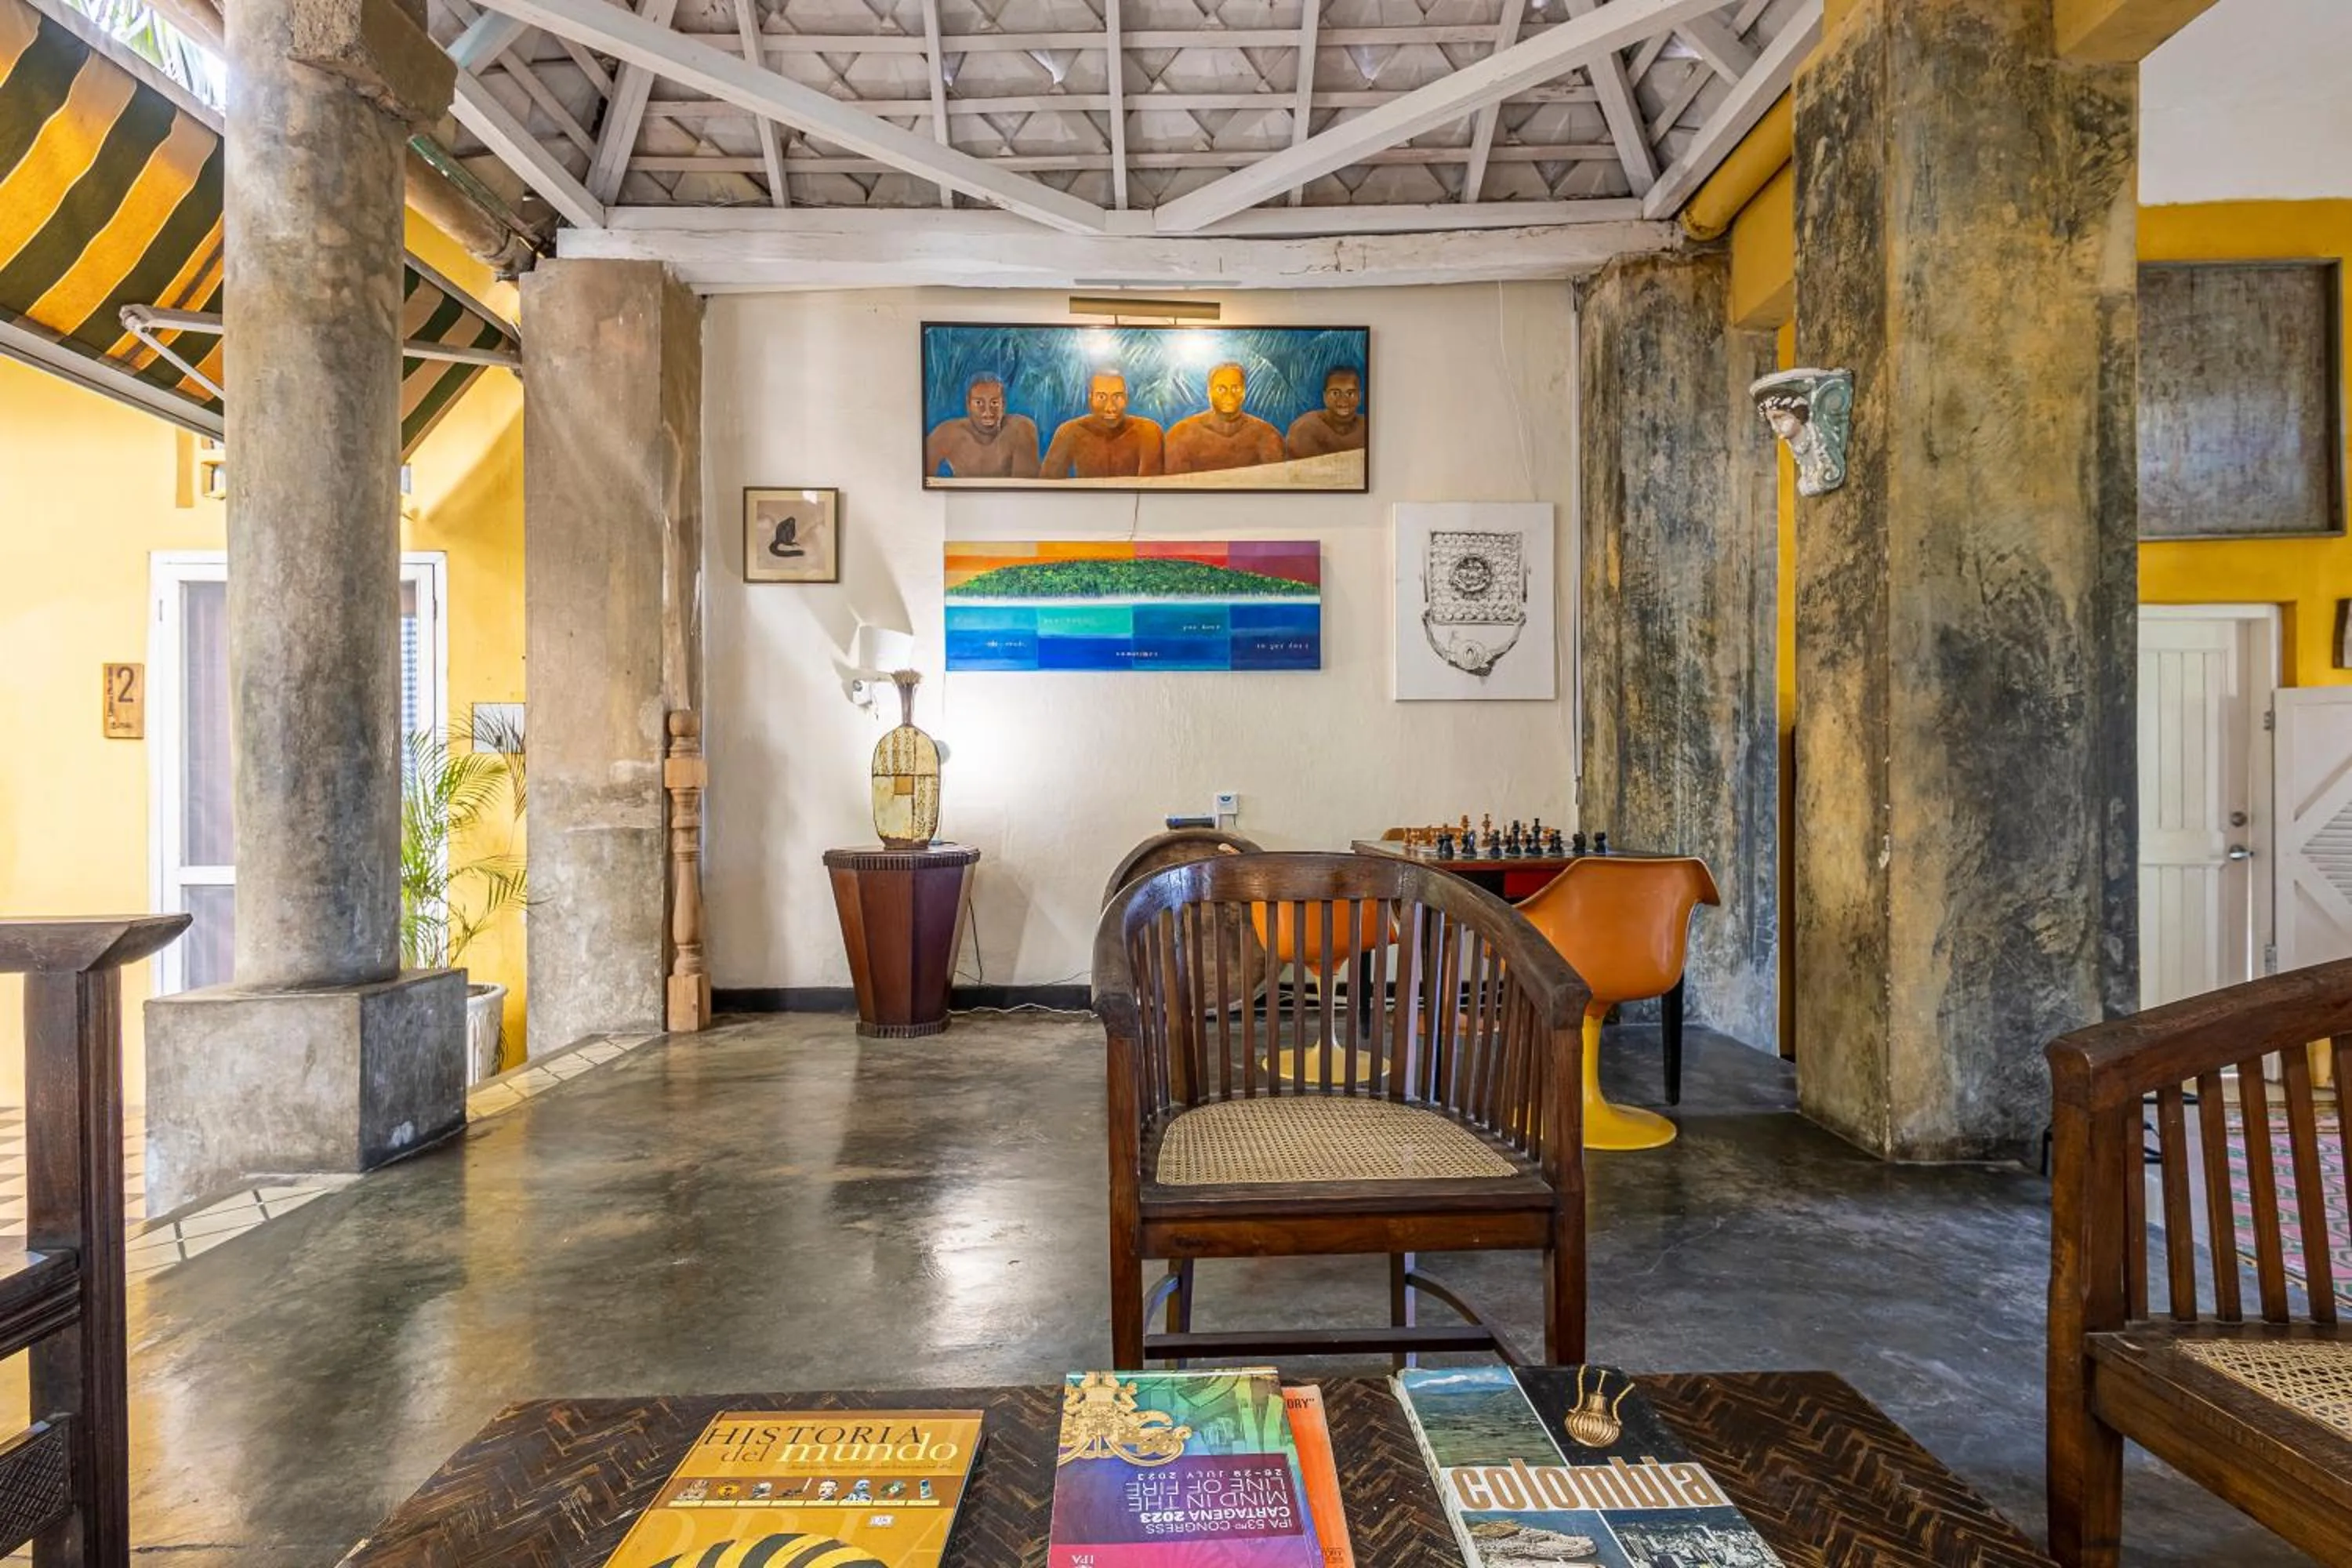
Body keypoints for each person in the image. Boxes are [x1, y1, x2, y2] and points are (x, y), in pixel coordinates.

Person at [1164, 361, 1285, 475]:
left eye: (1235, 388)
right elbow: (1177, 491)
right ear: (1209, 392)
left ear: (1244, 391)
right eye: (1221, 389)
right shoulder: (1181, 435)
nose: (1229, 395)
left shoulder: (1267, 436)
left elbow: (1276, 487)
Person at [1040, 369, 1164, 478]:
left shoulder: (1148, 432)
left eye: (1117, 397)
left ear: (1126, 399)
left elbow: (1152, 493)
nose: (1110, 407)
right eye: (1101, 397)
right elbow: (1046, 490)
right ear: (1090, 400)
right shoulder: (1070, 432)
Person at [924, 373, 1040, 478]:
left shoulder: (1020, 430)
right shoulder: (948, 434)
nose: (988, 412)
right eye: (979, 403)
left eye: (994, 403)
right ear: (968, 405)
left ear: (1003, 405)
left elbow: (1026, 489)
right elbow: (918, 477)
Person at [1284, 365, 1368, 459]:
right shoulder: (1305, 428)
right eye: (1335, 393)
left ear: (1359, 397)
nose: (1343, 400)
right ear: (1325, 397)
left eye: (1350, 393)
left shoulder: (1367, 428)